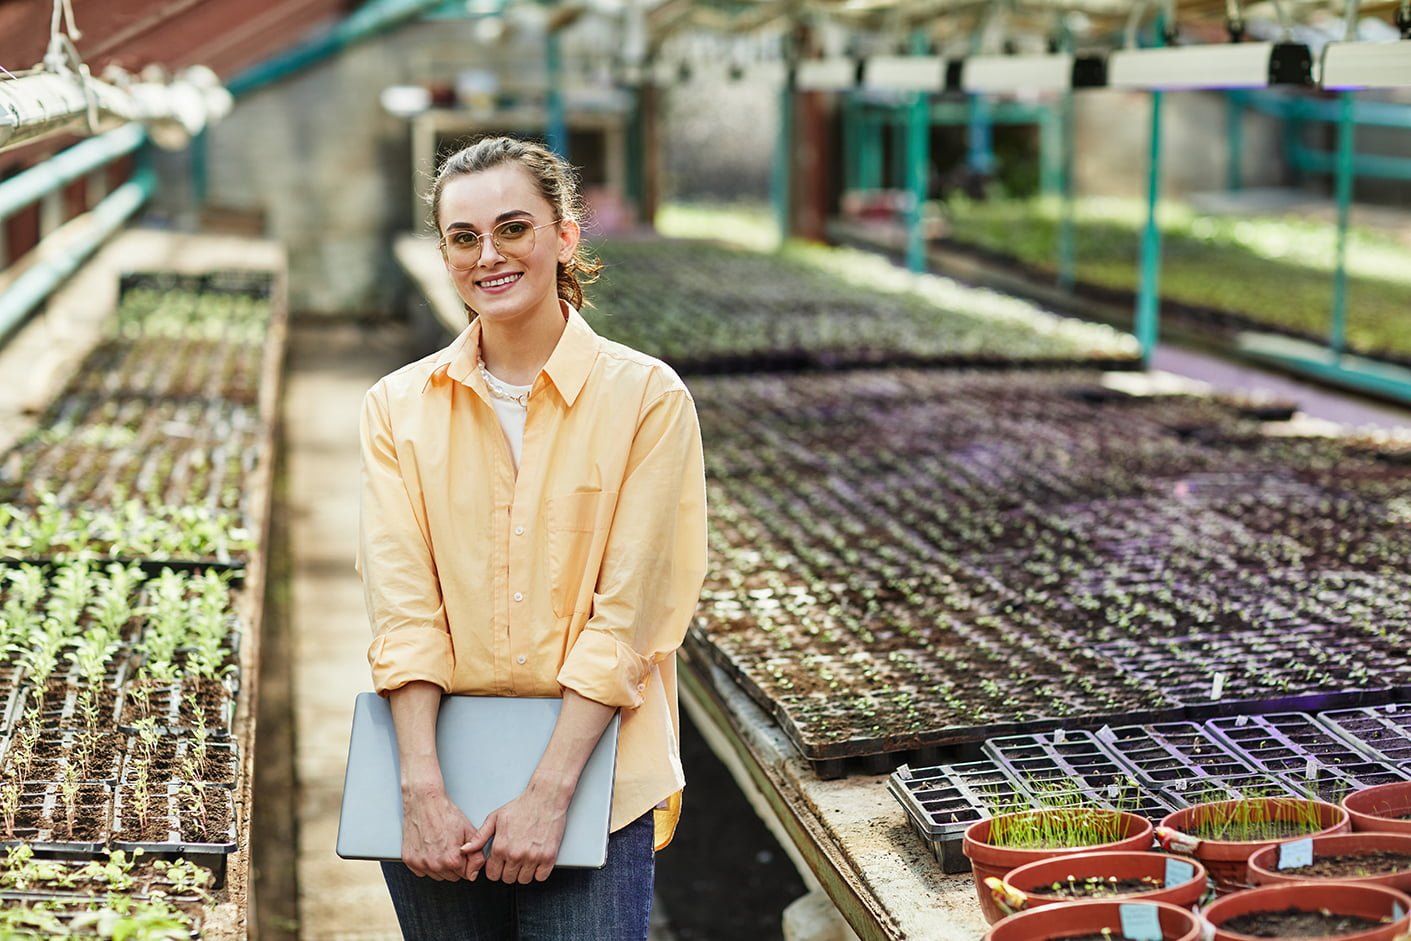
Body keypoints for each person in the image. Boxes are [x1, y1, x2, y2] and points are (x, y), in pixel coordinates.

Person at [357, 135, 708, 940]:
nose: (490, 255)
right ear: (444, 250)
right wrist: (420, 789)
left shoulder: (646, 399)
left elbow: (631, 617)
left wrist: (551, 791)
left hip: (593, 778)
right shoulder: (396, 407)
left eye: (514, 228)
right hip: (436, 783)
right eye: (464, 236)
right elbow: (404, 612)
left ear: (565, 235)